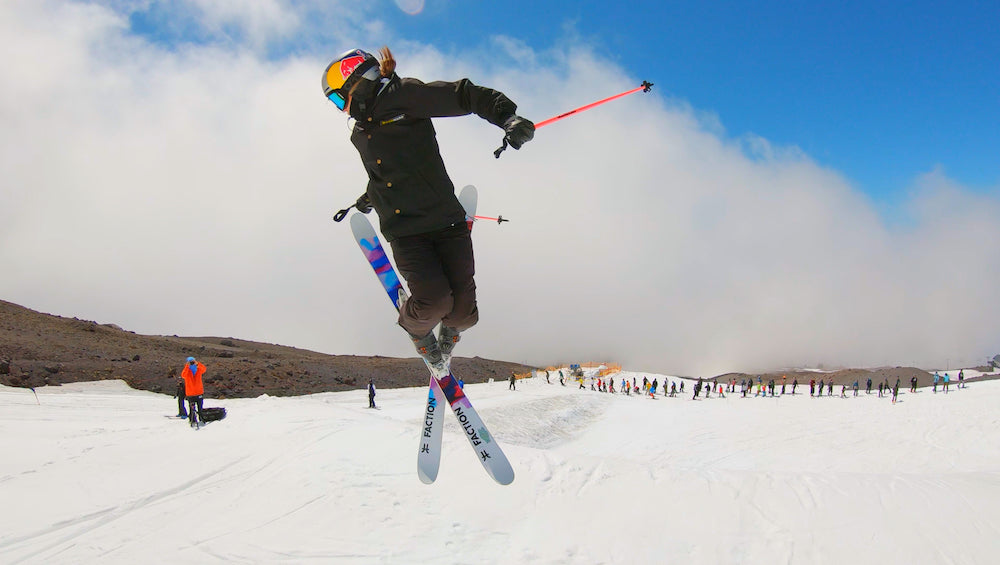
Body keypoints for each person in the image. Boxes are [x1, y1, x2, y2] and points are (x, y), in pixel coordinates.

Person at [322, 47, 535, 372]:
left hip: (445, 219)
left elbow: (465, 95)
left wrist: (507, 117)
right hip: (407, 230)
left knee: (465, 314)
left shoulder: (404, 95)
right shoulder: (360, 132)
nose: (341, 110)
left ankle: (451, 330)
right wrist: (369, 197)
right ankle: (416, 329)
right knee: (434, 301)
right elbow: (384, 172)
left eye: (339, 100)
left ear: (359, 82)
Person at [180, 357, 206, 424]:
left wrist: (198, 364)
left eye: (192, 361)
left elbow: (204, 369)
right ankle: (192, 419)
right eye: (190, 361)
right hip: (191, 393)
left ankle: (201, 419)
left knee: (200, 408)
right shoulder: (187, 371)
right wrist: (187, 366)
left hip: (198, 392)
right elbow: (183, 375)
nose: (192, 363)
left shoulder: (198, 369)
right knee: (192, 408)